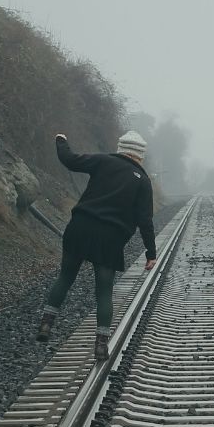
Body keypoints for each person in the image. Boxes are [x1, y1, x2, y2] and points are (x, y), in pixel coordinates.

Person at [37, 130, 157, 359]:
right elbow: (145, 221)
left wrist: (61, 140)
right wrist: (151, 253)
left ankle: (46, 324)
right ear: (140, 155)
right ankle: (101, 345)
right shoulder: (142, 181)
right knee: (103, 291)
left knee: (66, 277)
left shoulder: (103, 161)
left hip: (80, 228)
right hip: (110, 239)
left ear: (121, 148)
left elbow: (70, 160)